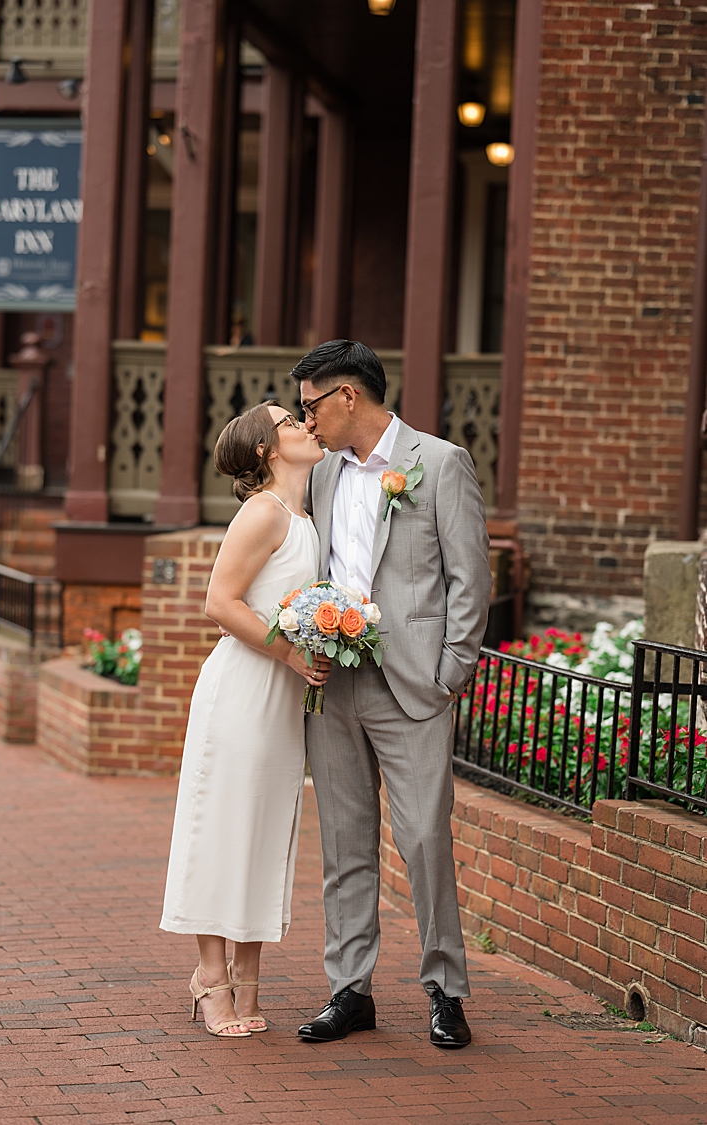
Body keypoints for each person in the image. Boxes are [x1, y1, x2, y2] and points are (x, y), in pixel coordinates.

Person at [292, 340, 489, 1050]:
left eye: (312, 405)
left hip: (412, 685)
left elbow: (469, 578)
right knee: (344, 843)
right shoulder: (320, 475)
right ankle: (350, 990)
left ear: (349, 396)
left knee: (425, 838)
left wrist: (450, 674)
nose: (305, 421)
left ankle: (446, 990)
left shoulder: (438, 464)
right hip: (334, 682)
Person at [160, 401, 328, 1038]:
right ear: (265, 450)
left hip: (284, 698)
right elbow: (219, 601)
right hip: (244, 689)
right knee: (225, 829)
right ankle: (210, 978)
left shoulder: (307, 515)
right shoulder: (262, 512)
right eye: (290, 423)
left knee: (267, 834)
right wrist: (289, 651)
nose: (304, 427)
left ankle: (250, 981)